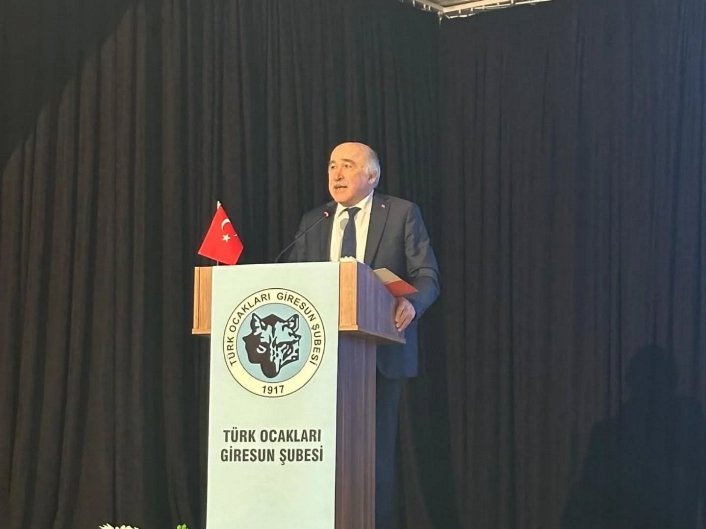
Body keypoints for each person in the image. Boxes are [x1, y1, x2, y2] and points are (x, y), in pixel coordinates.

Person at [287, 141, 440, 529]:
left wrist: (412, 303)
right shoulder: (315, 219)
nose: (336, 174)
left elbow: (427, 275)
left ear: (372, 176)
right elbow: (294, 278)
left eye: (347, 165)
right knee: (323, 457)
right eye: (331, 166)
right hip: (319, 359)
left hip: (380, 356)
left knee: (374, 460)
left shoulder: (401, 213)